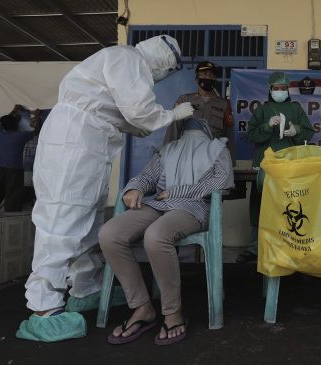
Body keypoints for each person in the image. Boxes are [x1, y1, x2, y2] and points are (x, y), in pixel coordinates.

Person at [17, 35, 195, 342]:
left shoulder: (121, 67)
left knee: (87, 218)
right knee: (62, 217)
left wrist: (161, 119)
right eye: (169, 70)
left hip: (89, 143)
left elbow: (134, 123)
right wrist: (171, 115)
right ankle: (44, 307)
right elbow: (141, 114)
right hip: (75, 142)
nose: (164, 77)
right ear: (164, 62)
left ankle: (85, 286)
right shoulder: (127, 59)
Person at [99, 118, 233, 346]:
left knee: (156, 236)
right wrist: (135, 188)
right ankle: (142, 307)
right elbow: (147, 177)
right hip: (158, 204)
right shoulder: (168, 150)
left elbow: (221, 182)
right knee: (109, 234)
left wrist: (178, 191)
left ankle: (172, 312)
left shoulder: (218, 148)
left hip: (192, 205)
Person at [236, 71, 315, 263]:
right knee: (259, 203)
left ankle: (288, 245)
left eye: (283, 88)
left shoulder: (296, 109)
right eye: (276, 88)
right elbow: (251, 136)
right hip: (264, 164)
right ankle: (255, 248)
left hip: (289, 164)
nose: (280, 91)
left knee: (288, 204)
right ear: (270, 89)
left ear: (288, 90)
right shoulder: (262, 110)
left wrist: (296, 130)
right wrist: (266, 126)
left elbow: (308, 133)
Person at [163, 61, 235, 161]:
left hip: (213, 158)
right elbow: (173, 129)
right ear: (197, 79)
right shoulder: (184, 100)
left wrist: (229, 161)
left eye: (212, 75)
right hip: (187, 157)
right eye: (205, 74)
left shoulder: (224, 105)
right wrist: (166, 156)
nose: (208, 78)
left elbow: (228, 136)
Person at [0, 105, 36, 212]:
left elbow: (3, 123)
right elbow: (36, 131)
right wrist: (39, 115)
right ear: (16, 124)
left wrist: (13, 111)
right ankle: (10, 218)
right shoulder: (21, 136)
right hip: (14, 171)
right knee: (13, 196)